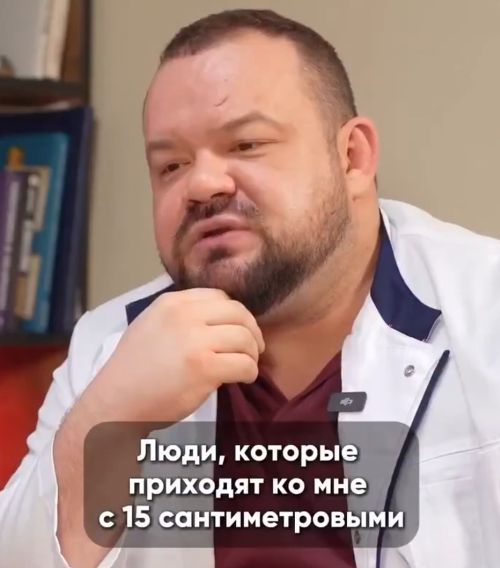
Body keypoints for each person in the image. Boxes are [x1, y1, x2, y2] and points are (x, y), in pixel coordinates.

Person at [1, 8, 500, 568]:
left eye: (246, 145)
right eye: (171, 166)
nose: (201, 184)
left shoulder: (485, 311)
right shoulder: (111, 344)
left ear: (353, 158)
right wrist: (112, 417)